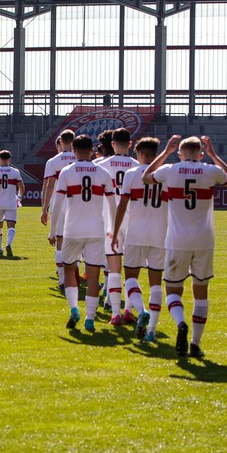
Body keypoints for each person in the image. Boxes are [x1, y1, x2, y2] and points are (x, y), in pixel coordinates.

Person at [143, 135, 227, 358]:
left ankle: (180, 323)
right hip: (204, 241)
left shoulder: (169, 169)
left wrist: (165, 152)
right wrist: (215, 156)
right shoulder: (210, 171)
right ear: (201, 153)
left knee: (173, 290)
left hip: (177, 240)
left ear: (180, 153)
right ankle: (195, 343)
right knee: (201, 292)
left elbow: (146, 177)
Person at [56, 134, 116, 332]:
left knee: (69, 269)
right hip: (95, 230)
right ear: (92, 151)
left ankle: (74, 309)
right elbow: (111, 202)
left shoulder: (67, 171)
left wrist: (53, 230)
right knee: (93, 275)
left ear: (73, 151)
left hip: (72, 229)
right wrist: (112, 228)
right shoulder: (102, 172)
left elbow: (57, 204)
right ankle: (90, 318)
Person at [111, 137, 168, 341]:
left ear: (141, 154)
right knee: (155, 283)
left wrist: (116, 232)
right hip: (160, 235)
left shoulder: (132, 174)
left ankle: (141, 309)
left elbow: (122, 206)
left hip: (136, 234)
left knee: (131, 278)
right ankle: (151, 330)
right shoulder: (165, 175)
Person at [94, 128, 139, 326]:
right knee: (130, 269)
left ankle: (115, 314)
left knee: (113, 270)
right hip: (133, 223)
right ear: (130, 144)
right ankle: (128, 309)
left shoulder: (99, 165)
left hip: (110, 221)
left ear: (112, 144)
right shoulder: (139, 166)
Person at [41, 131, 77, 289]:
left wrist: (44, 208)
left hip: (60, 203)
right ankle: (76, 274)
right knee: (77, 240)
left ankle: (62, 279)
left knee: (60, 241)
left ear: (61, 142)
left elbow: (49, 186)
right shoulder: (80, 158)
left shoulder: (53, 161)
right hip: (78, 204)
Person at [0, 150, 24, 257]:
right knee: (11, 226)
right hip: (11, 202)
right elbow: (22, 187)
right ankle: (8, 244)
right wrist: (20, 197)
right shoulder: (15, 172)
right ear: (9, 160)